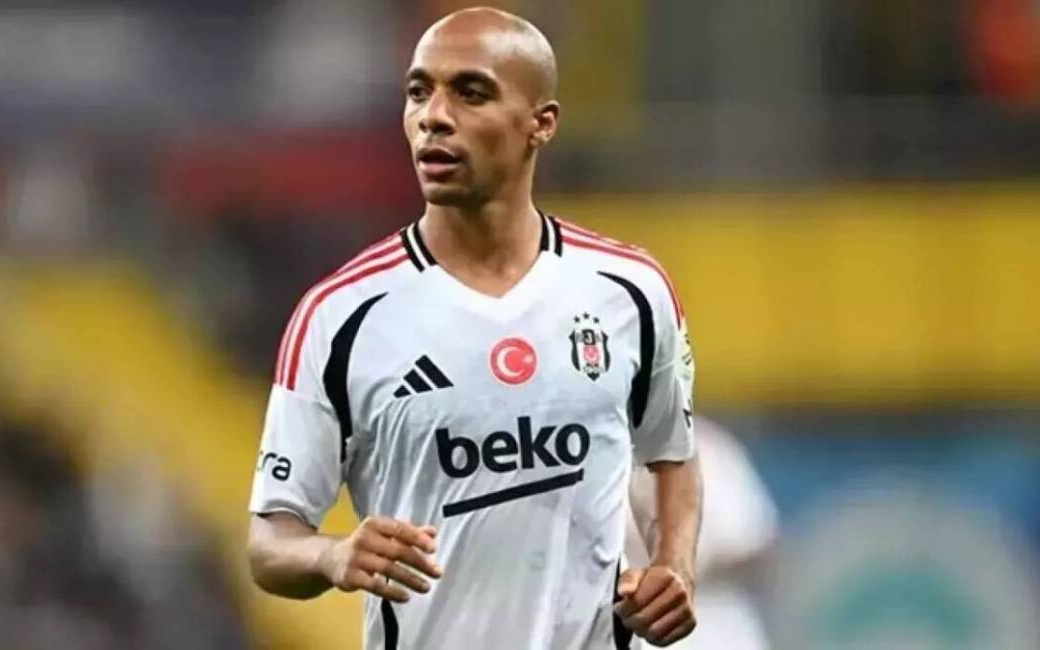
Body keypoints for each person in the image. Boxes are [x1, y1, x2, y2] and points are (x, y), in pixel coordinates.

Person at [246, 7, 701, 649]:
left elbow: (669, 456)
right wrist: (333, 555)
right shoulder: (340, 316)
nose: (433, 115)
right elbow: (269, 543)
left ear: (541, 123)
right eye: (418, 92)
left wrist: (674, 565)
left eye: (470, 92)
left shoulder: (630, 292)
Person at [625, 417, 777, 650]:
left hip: (716, 622)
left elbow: (760, 547)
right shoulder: (595, 454)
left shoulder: (711, 447)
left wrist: (688, 565)